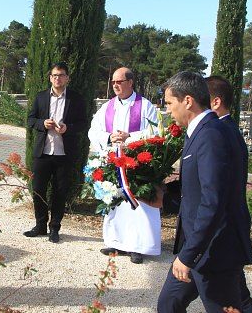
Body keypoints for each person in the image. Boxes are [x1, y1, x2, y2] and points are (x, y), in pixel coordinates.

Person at [157, 71, 252, 313]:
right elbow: (195, 187)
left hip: (214, 250)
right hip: (199, 246)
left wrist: (189, 254)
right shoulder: (198, 131)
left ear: (187, 101)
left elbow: (213, 201)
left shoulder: (211, 134)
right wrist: (163, 196)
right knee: (169, 304)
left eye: (169, 103)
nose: (167, 110)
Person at [88, 67, 161, 264]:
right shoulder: (107, 107)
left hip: (138, 164)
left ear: (130, 82)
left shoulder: (145, 106)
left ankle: (138, 246)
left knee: (138, 203)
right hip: (114, 162)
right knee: (116, 201)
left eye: (119, 81)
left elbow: (155, 133)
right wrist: (109, 137)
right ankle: (115, 241)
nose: (115, 85)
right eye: (113, 82)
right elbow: (93, 131)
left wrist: (130, 137)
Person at [206, 75, 252, 313]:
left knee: (234, 298)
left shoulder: (220, 132)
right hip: (223, 231)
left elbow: (216, 184)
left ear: (215, 102)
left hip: (223, 231)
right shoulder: (225, 129)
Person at [25, 62, 88, 243]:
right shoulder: (41, 97)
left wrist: (68, 128)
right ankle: (40, 225)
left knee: (60, 193)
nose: (57, 78)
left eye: (61, 75)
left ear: (67, 78)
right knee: (38, 190)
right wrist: (42, 123)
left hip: (64, 154)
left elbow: (84, 123)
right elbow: (30, 119)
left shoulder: (76, 99)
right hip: (42, 152)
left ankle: (55, 228)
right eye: (54, 75)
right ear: (50, 78)